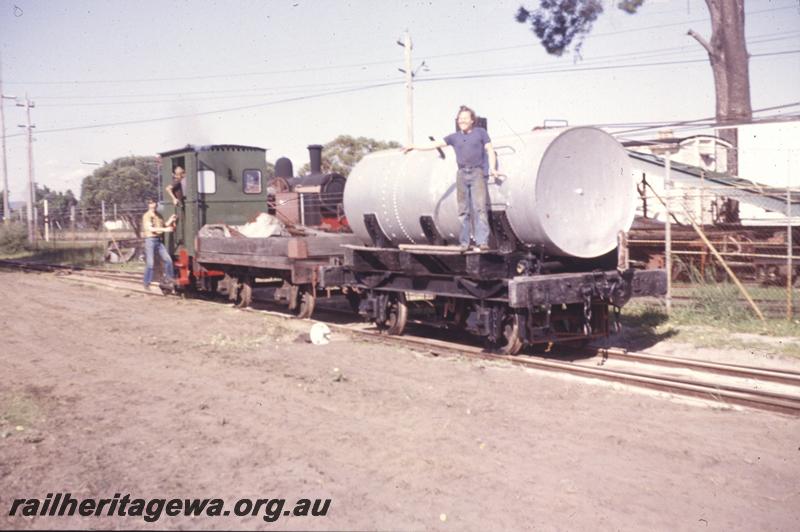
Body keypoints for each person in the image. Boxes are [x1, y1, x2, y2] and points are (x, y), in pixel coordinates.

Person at [403, 105, 498, 251]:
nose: (462, 121)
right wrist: (414, 146)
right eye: (460, 119)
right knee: (463, 210)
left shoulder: (481, 133)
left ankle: (482, 242)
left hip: (477, 173)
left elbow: (490, 150)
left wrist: (492, 168)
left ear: (472, 120)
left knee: (479, 208)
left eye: (465, 118)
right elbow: (435, 144)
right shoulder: (454, 137)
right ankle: (464, 243)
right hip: (461, 174)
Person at [141, 199, 177, 291]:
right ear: (149, 205)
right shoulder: (147, 216)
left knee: (168, 260)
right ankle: (146, 283)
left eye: (155, 202)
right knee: (150, 263)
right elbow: (150, 228)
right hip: (150, 240)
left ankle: (169, 279)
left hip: (158, 241)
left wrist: (170, 220)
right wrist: (166, 230)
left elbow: (163, 225)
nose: (154, 204)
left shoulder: (159, 215)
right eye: (152, 203)